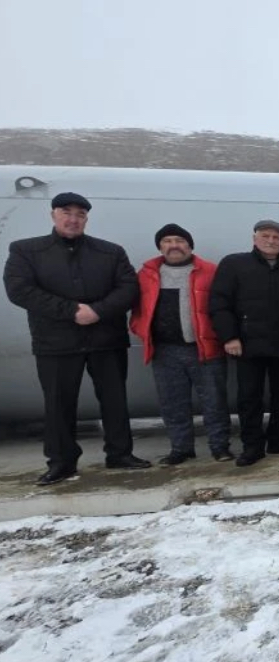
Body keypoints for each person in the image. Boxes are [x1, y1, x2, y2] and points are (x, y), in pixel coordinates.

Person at [4, 192, 151, 485]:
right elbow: (19, 289)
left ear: (86, 218)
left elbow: (128, 289)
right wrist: (71, 311)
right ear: (53, 215)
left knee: (114, 400)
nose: (73, 219)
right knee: (58, 403)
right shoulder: (26, 250)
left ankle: (120, 454)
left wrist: (97, 311)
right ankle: (61, 462)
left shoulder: (110, 252)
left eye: (80, 214)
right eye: (66, 212)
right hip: (56, 342)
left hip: (105, 338)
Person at [209, 219, 279, 467]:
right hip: (248, 345)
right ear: (254, 238)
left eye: (276, 237)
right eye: (265, 236)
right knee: (249, 398)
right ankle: (252, 446)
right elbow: (219, 304)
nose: (271, 241)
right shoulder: (234, 264)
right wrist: (229, 337)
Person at [129, 223, 232, 465]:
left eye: (179, 240)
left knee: (214, 401)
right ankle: (181, 448)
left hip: (204, 349)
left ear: (189, 245)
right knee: (173, 403)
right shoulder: (146, 275)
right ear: (160, 247)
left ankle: (220, 447)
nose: (174, 245)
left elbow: (225, 306)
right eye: (167, 241)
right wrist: (139, 329)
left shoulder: (210, 271)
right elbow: (136, 309)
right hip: (165, 351)